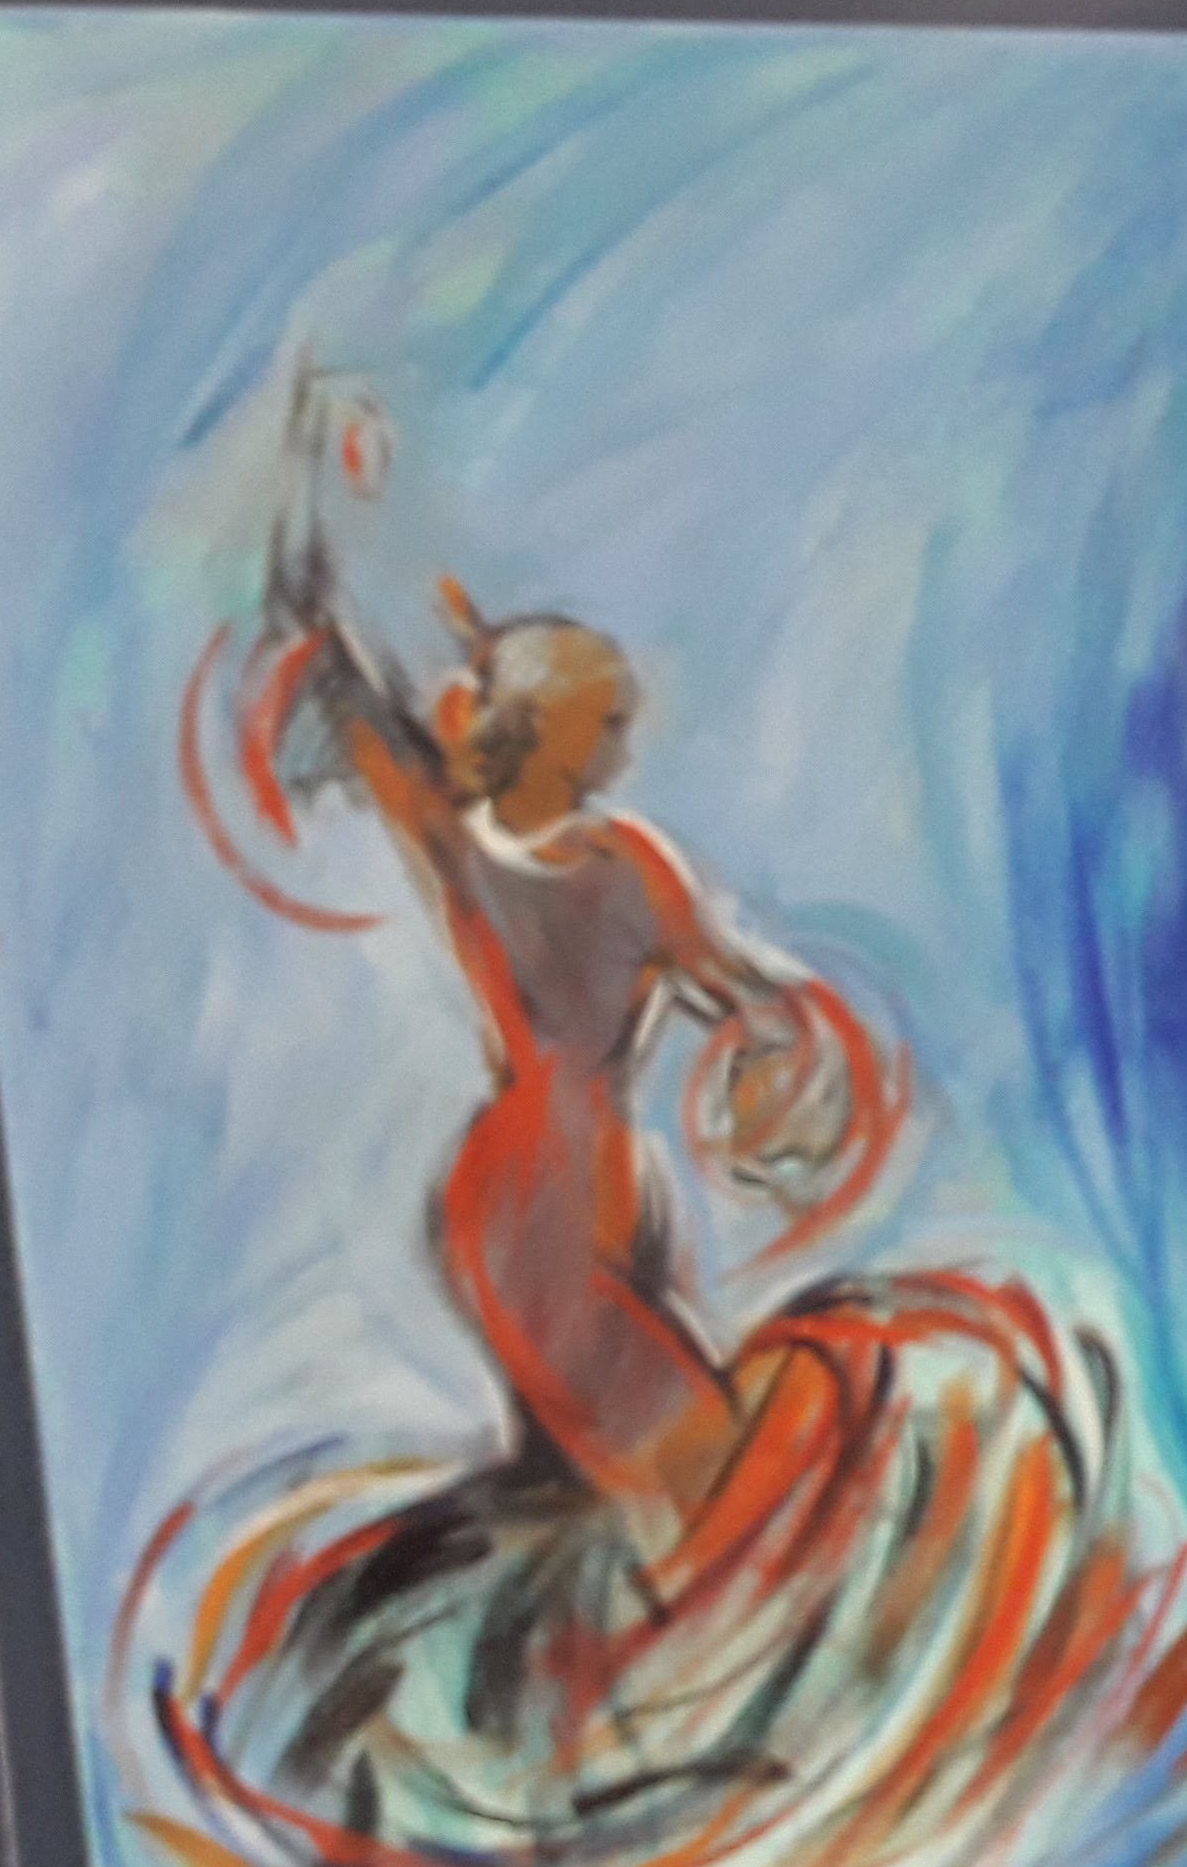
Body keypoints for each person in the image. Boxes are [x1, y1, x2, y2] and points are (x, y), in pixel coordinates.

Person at [241, 374, 884, 1558]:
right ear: (550, 742)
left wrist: (784, 1061)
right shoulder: (502, 856)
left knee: (619, 1500)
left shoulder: (609, 860)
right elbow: (345, 666)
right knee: (700, 1487)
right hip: (532, 1206)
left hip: (603, 1186)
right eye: (606, 725)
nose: (624, 745)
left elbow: (745, 993)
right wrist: (314, 479)